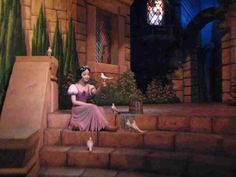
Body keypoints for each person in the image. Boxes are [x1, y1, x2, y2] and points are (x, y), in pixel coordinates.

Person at [67, 65, 118, 132]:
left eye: (88, 74)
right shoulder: (74, 86)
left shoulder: (89, 86)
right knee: (92, 107)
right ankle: (105, 126)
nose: (87, 76)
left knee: (100, 109)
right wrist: (88, 105)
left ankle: (102, 125)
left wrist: (101, 87)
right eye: (84, 74)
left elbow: (95, 93)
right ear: (80, 75)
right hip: (77, 109)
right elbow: (74, 101)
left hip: (85, 108)